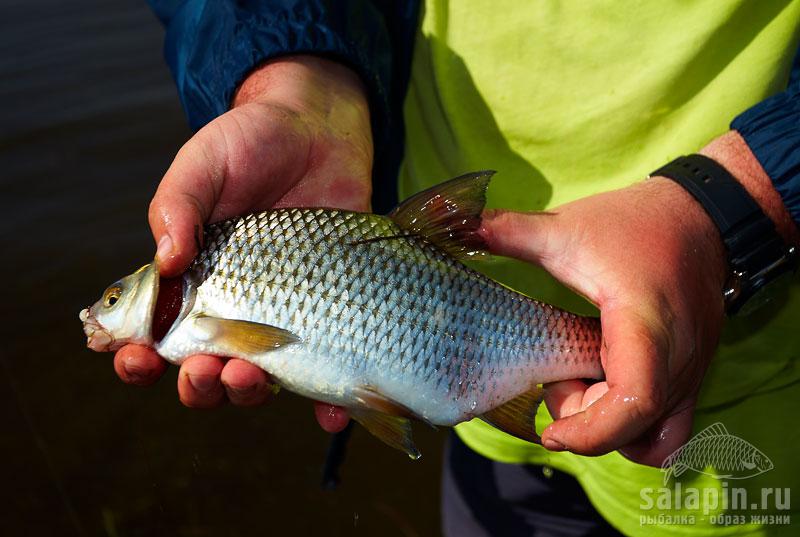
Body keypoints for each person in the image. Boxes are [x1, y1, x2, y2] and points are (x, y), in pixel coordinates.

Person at [116, 1, 800, 535]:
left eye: (115, 297)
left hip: (753, 400)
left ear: (163, 288)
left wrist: (736, 204)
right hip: (478, 423)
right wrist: (299, 76)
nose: (105, 309)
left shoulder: (203, 285)